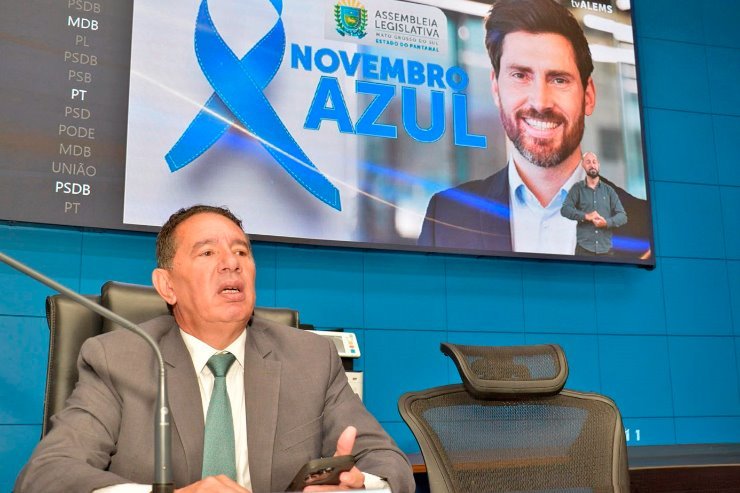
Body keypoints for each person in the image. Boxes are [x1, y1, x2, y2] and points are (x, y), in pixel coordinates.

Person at [15, 205, 415, 493]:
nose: (231, 264)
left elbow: (389, 463)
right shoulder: (118, 360)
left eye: (241, 251)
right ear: (167, 285)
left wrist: (359, 487)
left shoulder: (310, 358)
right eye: (207, 252)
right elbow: (46, 475)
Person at [418, 0, 650, 258]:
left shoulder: (641, 223)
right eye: (520, 76)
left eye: (559, 79)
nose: (540, 102)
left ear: (588, 96)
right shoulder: (447, 215)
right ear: (496, 88)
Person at [561, 152, 627, 255]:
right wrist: (586, 216)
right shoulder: (577, 189)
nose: (592, 165)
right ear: (583, 165)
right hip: (583, 249)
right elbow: (565, 209)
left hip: (606, 251)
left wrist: (606, 223)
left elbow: (622, 216)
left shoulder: (609, 191)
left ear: (598, 165)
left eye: (594, 162)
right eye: (588, 162)